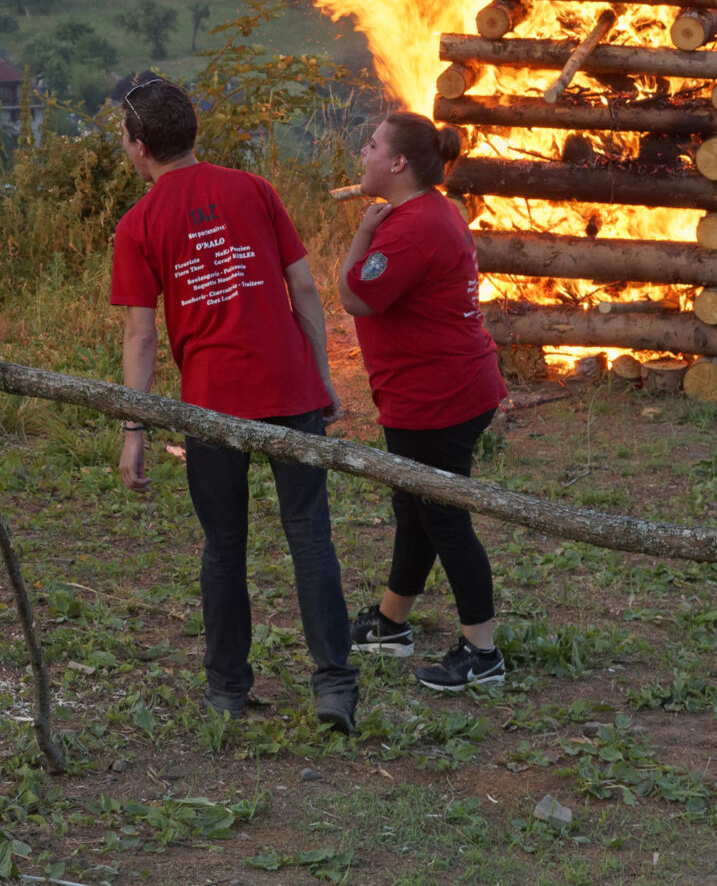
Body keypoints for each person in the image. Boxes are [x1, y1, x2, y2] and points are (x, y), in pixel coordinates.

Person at [108, 73, 357, 733]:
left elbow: (141, 334)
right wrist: (322, 377)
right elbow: (303, 289)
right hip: (288, 387)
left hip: (211, 405)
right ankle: (334, 686)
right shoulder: (254, 190)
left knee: (223, 545)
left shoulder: (137, 225)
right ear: (193, 132)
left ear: (138, 146)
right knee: (310, 536)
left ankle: (226, 687)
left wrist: (134, 429)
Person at [338, 112, 507, 694]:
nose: (364, 151)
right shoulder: (429, 213)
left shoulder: (412, 227)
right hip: (433, 389)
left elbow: (356, 296)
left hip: (439, 395)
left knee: (443, 518)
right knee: (414, 509)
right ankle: (390, 623)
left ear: (398, 163)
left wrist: (362, 233)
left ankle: (482, 653)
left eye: (374, 144)